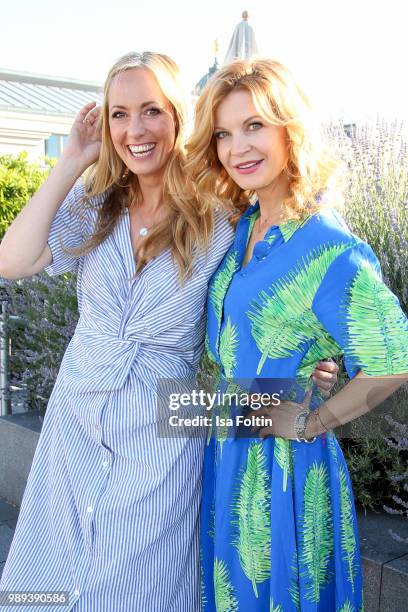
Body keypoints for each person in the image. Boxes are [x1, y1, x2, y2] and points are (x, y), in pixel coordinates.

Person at [0, 52, 336, 611]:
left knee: (136, 588)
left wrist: (318, 359)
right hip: (73, 423)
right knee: (45, 590)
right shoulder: (95, 205)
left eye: (151, 111)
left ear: (178, 117)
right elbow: (12, 261)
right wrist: (73, 161)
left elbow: (294, 271)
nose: (135, 130)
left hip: (161, 428)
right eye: (119, 114)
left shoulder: (223, 215)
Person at [187, 58, 408, 611]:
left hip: (282, 472)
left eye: (255, 125)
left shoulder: (328, 247)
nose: (238, 146)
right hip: (228, 453)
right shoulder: (243, 226)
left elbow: (394, 358)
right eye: (223, 133)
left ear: (291, 129)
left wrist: (314, 419)